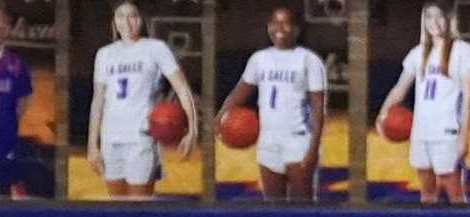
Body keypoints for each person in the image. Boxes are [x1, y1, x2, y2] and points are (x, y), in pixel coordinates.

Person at [87, 1, 198, 199]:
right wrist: (92, 144)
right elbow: (98, 101)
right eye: (121, 16)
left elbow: (182, 88)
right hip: (110, 139)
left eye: (132, 16)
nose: (127, 22)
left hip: (141, 138)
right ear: (114, 22)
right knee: (116, 205)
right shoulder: (104, 54)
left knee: (139, 207)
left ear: (141, 20)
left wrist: (192, 129)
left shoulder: (155, 48)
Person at [216, 7, 325, 203]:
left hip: (298, 139)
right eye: (275, 22)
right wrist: (219, 117)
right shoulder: (259, 59)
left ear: (296, 29)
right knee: (273, 206)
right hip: (267, 140)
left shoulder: (309, 60)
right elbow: (240, 92)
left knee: (303, 205)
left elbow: (318, 108)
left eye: (285, 23)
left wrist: (313, 147)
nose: (279, 28)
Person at [374, 1, 470, 204]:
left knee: (455, 195)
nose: (434, 22)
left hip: (447, 132)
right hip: (421, 131)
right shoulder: (417, 53)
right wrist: (382, 114)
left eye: (439, 16)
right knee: (427, 193)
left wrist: (464, 136)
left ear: (449, 19)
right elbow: (399, 89)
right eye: (429, 16)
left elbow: (469, 98)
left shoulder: (462, 51)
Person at [0, 0, 31, 198]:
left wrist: (7, 123)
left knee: (5, 199)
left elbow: (23, 101)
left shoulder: (17, 64)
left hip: (4, 142)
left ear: (7, 26)